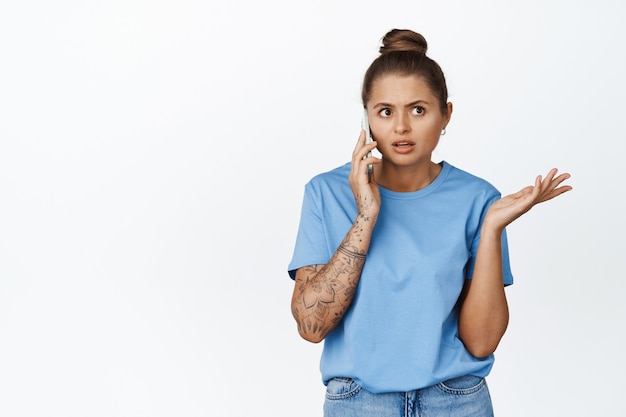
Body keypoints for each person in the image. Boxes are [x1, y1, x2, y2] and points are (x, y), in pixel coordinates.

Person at [287, 28, 572, 417]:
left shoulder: (478, 199)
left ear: (445, 115)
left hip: (456, 401)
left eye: (418, 109)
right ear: (367, 118)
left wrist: (491, 230)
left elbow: (482, 342)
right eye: (385, 112)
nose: (401, 127)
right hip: (358, 403)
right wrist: (366, 215)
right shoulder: (326, 193)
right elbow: (311, 326)